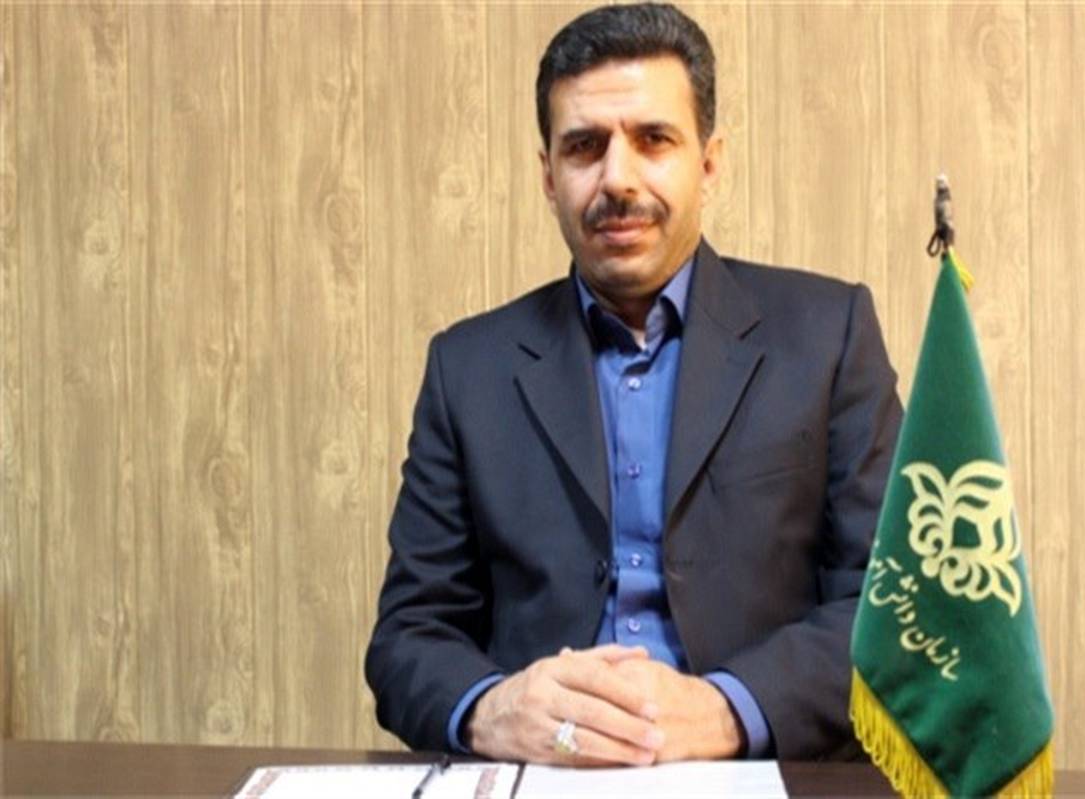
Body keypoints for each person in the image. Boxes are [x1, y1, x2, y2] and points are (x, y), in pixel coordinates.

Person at [365, 2, 901, 766]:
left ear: (708, 163)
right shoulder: (468, 368)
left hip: (757, 771)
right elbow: (408, 637)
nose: (617, 178)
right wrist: (493, 708)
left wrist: (728, 709)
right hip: (543, 773)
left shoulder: (827, 336)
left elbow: (891, 608)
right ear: (548, 175)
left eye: (653, 140)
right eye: (584, 146)